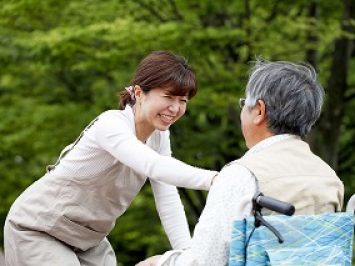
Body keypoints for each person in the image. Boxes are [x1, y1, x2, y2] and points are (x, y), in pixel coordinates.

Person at [3, 51, 218, 266]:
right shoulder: (111, 125)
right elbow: (154, 166)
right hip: (40, 228)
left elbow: (167, 195)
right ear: (139, 93)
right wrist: (217, 179)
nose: (175, 108)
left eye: (183, 100)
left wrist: (188, 256)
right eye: (168, 97)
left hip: (89, 240)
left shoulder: (159, 136)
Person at [137, 58, 344, 266]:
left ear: (259, 111)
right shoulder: (328, 178)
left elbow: (205, 261)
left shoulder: (244, 174)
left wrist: (159, 262)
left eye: (245, 104)